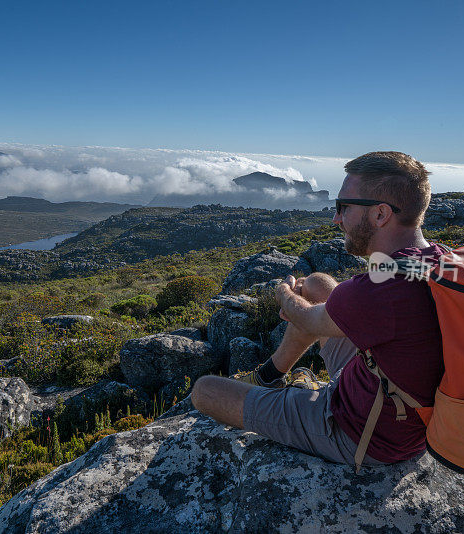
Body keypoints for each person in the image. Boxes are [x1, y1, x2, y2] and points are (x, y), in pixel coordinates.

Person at [190, 151, 446, 467]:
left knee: (205, 391)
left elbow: (307, 319)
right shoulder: (438, 259)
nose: (336, 219)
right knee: (317, 285)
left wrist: (285, 296)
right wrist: (302, 304)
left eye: (344, 207)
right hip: (390, 395)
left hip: (359, 433)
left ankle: (292, 389)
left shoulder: (384, 289)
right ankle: (269, 376)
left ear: (380, 215)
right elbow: (326, 313)